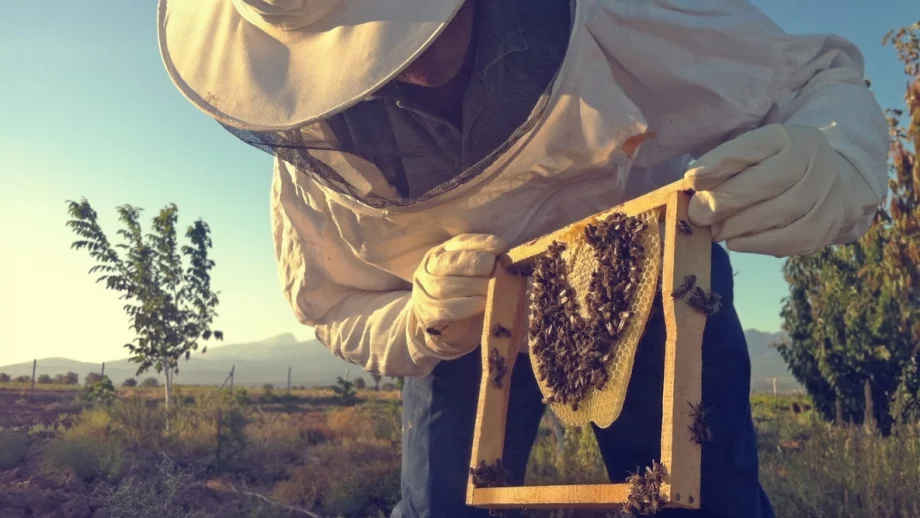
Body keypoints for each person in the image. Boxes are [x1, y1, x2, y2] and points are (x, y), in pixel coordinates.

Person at [157, 0, 889, 516]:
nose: (400, 62)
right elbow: (332, 306)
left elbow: (811, 77)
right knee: (441, 508)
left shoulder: (613, 15)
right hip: (472, 335)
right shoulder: (310, 169)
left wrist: (834, 152)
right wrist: (417, 320)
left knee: (704, 501)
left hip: (649, 292)